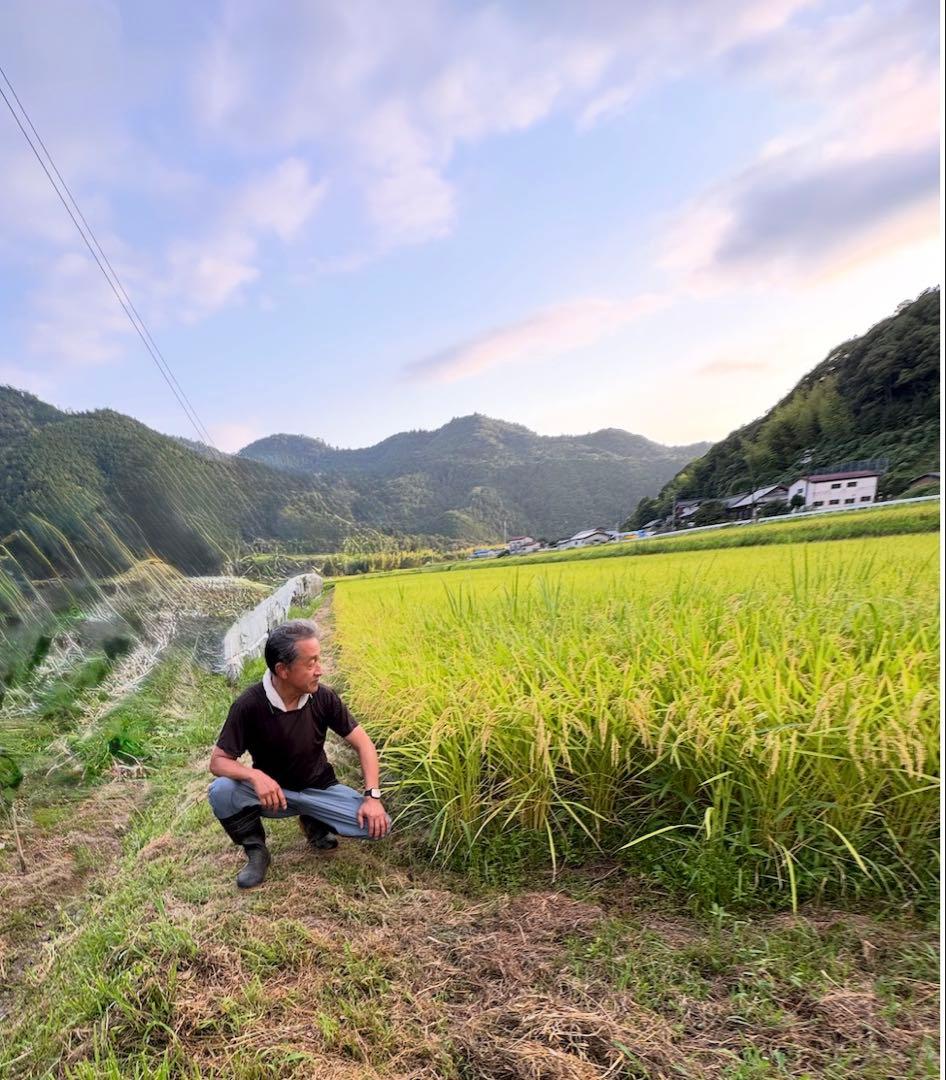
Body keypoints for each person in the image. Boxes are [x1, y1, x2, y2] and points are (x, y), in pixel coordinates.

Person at [207, 619, 391, 888]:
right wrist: (254, 775)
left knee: (378, 824)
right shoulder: (249, 705)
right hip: (274, 796)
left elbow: (364, 744)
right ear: (282, 670)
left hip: (320, 788)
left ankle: (315, 820)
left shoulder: (323, 698)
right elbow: (218, 761)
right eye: (311, 663)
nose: (320, 670)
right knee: (221, 791)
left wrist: (372, 796)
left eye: (319, 660)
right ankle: (256, 851)